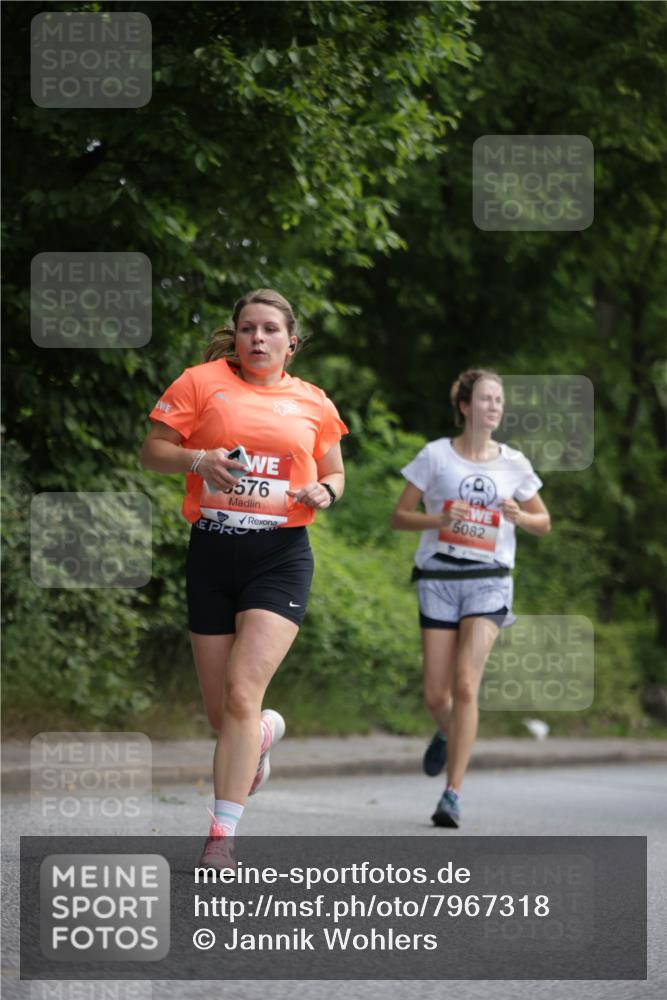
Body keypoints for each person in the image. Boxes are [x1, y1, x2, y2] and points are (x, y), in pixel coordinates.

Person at [140, 289, 347, 864]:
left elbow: (334, 471)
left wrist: (323, 492)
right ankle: (257, 735)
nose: (258, 338)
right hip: (211, 551)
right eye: (248, 329)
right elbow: (152, 451)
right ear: (234, 336)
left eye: (270, 330)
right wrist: (198, 460)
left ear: (291, 341)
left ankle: (221, 838)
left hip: (279, 556)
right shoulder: (199, 383)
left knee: (240, 693)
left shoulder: (313, 402)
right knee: (223, 715)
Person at [390, 369, 550, 828]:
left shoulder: (515, 464)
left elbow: (544, 522)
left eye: (499, 400)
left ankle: (452, 794)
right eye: (485, 398)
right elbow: (399, 517)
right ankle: (450, 733)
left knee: (465, 685)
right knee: (436, 695)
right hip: (438, 579)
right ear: (464, 406)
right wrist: (437, 519)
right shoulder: (436, 456)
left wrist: (522, 516)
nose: (494, 406)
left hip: (490, 580)